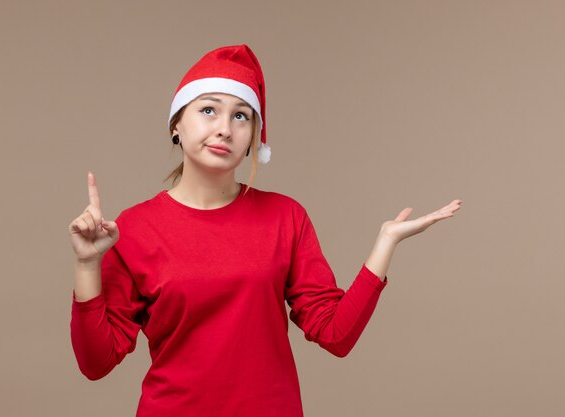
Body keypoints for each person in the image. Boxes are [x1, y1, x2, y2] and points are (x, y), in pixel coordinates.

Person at [68, 44, 462, 417]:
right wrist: (87, 264)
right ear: (176, 125)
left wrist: (385, 243)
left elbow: (336, 335)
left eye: (241, 116)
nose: (224, 128)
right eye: (209, 110)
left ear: (254, 137)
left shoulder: (285, 217)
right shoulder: (135, 228)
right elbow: (96, 363)